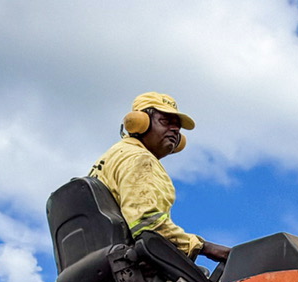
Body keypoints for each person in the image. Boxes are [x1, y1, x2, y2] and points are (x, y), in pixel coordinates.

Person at [90, 92, 231, 268]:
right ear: (139, 122)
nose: (174, 130)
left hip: (104, 266)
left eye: (177, 128)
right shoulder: (140, 159)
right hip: (133, 266)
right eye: (165, 122)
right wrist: (205, 247)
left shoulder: (112, 157)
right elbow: (148, 226)